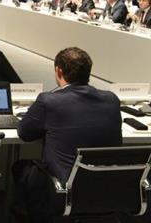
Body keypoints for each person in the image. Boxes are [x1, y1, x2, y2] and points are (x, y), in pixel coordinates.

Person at [13, 47, 121, 222]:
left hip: (63, 190)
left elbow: (24, 133)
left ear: (59, 71)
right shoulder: (112, 100)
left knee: (21, 167)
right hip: (106, 188)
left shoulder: (49, 100)